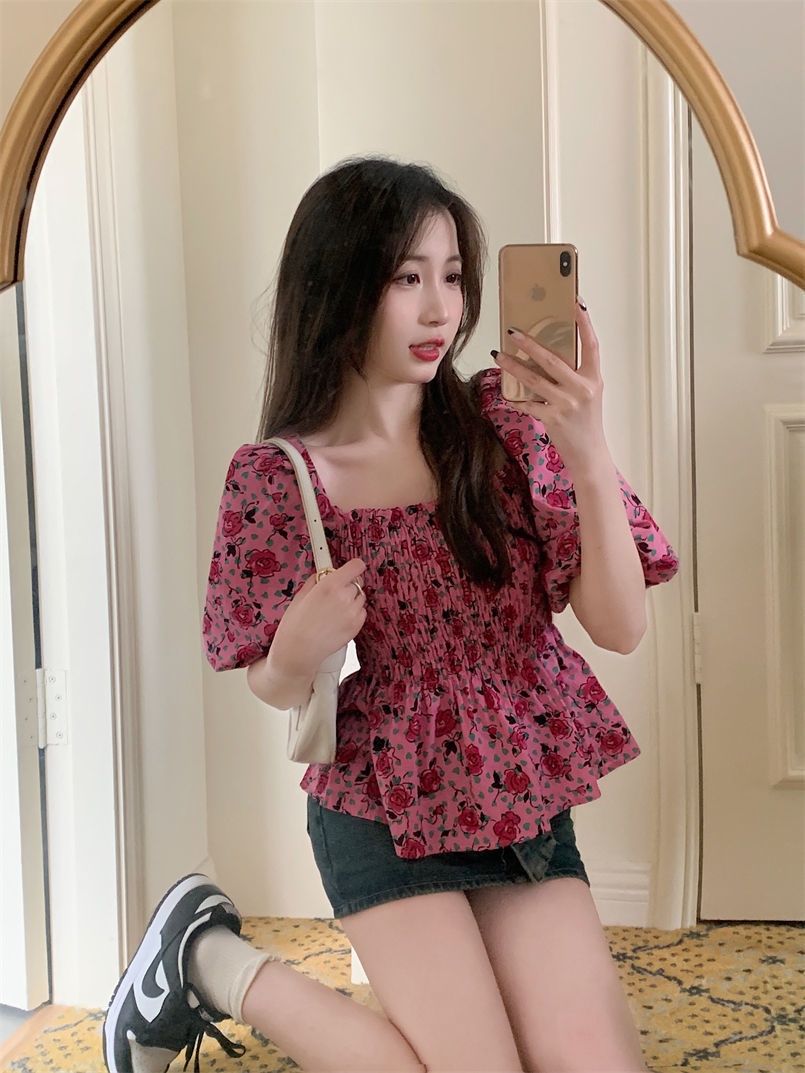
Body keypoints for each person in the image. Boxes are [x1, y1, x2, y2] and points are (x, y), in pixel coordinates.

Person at [103, 157, 679, 1073]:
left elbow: (620, 628)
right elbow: (271, 684)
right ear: (336, 286)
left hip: (519, 801)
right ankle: (207, 960)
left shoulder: (507, 429)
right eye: (406, 278)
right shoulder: (280, 477)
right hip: (382, 812)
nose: (439, 308)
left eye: (452, 276)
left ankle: (205, 960)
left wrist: (587, 448)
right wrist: (295, 648)